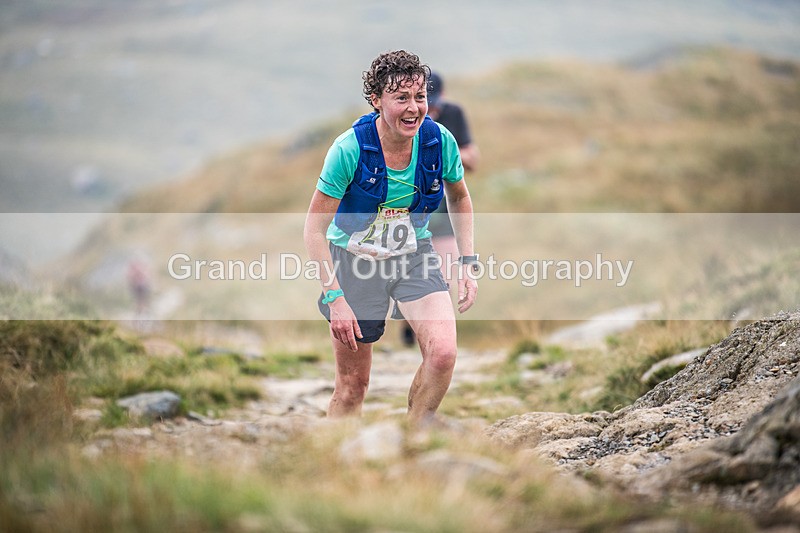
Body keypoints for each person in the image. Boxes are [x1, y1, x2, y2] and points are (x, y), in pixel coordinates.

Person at [303, 50, 478, 425]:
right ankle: (334, 463)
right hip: (352, 261)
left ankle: (416, 433)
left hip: (413, 255)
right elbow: (314, 230)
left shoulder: (439, 141)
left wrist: (467, 262)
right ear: (376, 100)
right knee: (353, 386)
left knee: (443, 354)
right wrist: (335, 299)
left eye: (420, 97)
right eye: (401, 98)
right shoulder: (349, 149)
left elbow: (460, 195)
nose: (414, 108)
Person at [401, 71, 480, 346]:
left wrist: (443, 151)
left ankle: (434, 340)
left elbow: (473, 157)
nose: (429, 110)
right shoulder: (402, 118)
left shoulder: (453, 115)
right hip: (409, 212)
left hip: (445, 210)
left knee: (442, 279)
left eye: (432, 103)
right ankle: (412, 331)